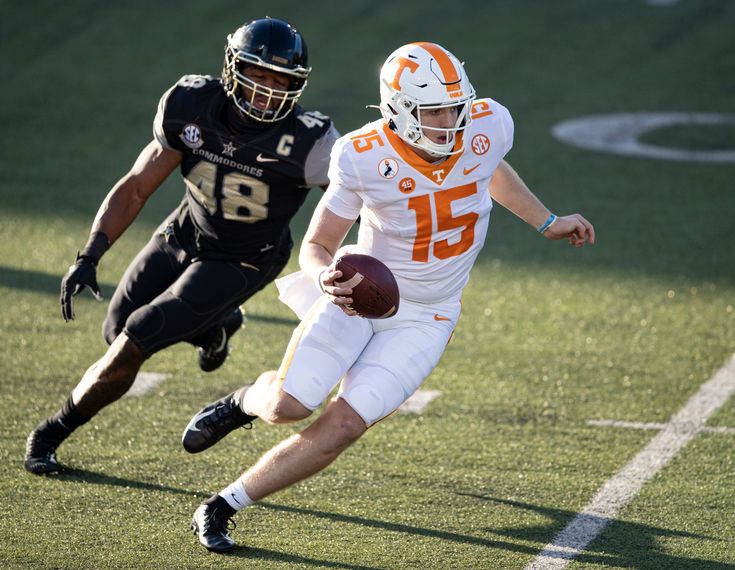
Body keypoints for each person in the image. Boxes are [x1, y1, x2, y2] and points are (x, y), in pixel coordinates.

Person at [183, 41, 595, 553]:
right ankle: (246, 399)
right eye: (434, 110)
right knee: (289, 406)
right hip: (361, 296)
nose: (450, 121)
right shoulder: (362, 155)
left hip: (428, 316)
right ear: (400, 111)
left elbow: (490, 169)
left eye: (455, 106)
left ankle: (223, 504)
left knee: (343, 425)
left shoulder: (488, 125)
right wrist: (326, 277)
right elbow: (317, 244)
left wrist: (547, 221)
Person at [23, 17, 340, 476]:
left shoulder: (310, 142)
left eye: (280, 81)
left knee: (135, 339)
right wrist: (90, 254)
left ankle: (50, 433)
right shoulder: (191, 104)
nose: (268, 91)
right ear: (234, 70)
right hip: (186, 231)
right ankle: (214, 327)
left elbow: (357, 197)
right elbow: (136, 186)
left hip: (245, 257)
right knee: (116, 329)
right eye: (258, 76)